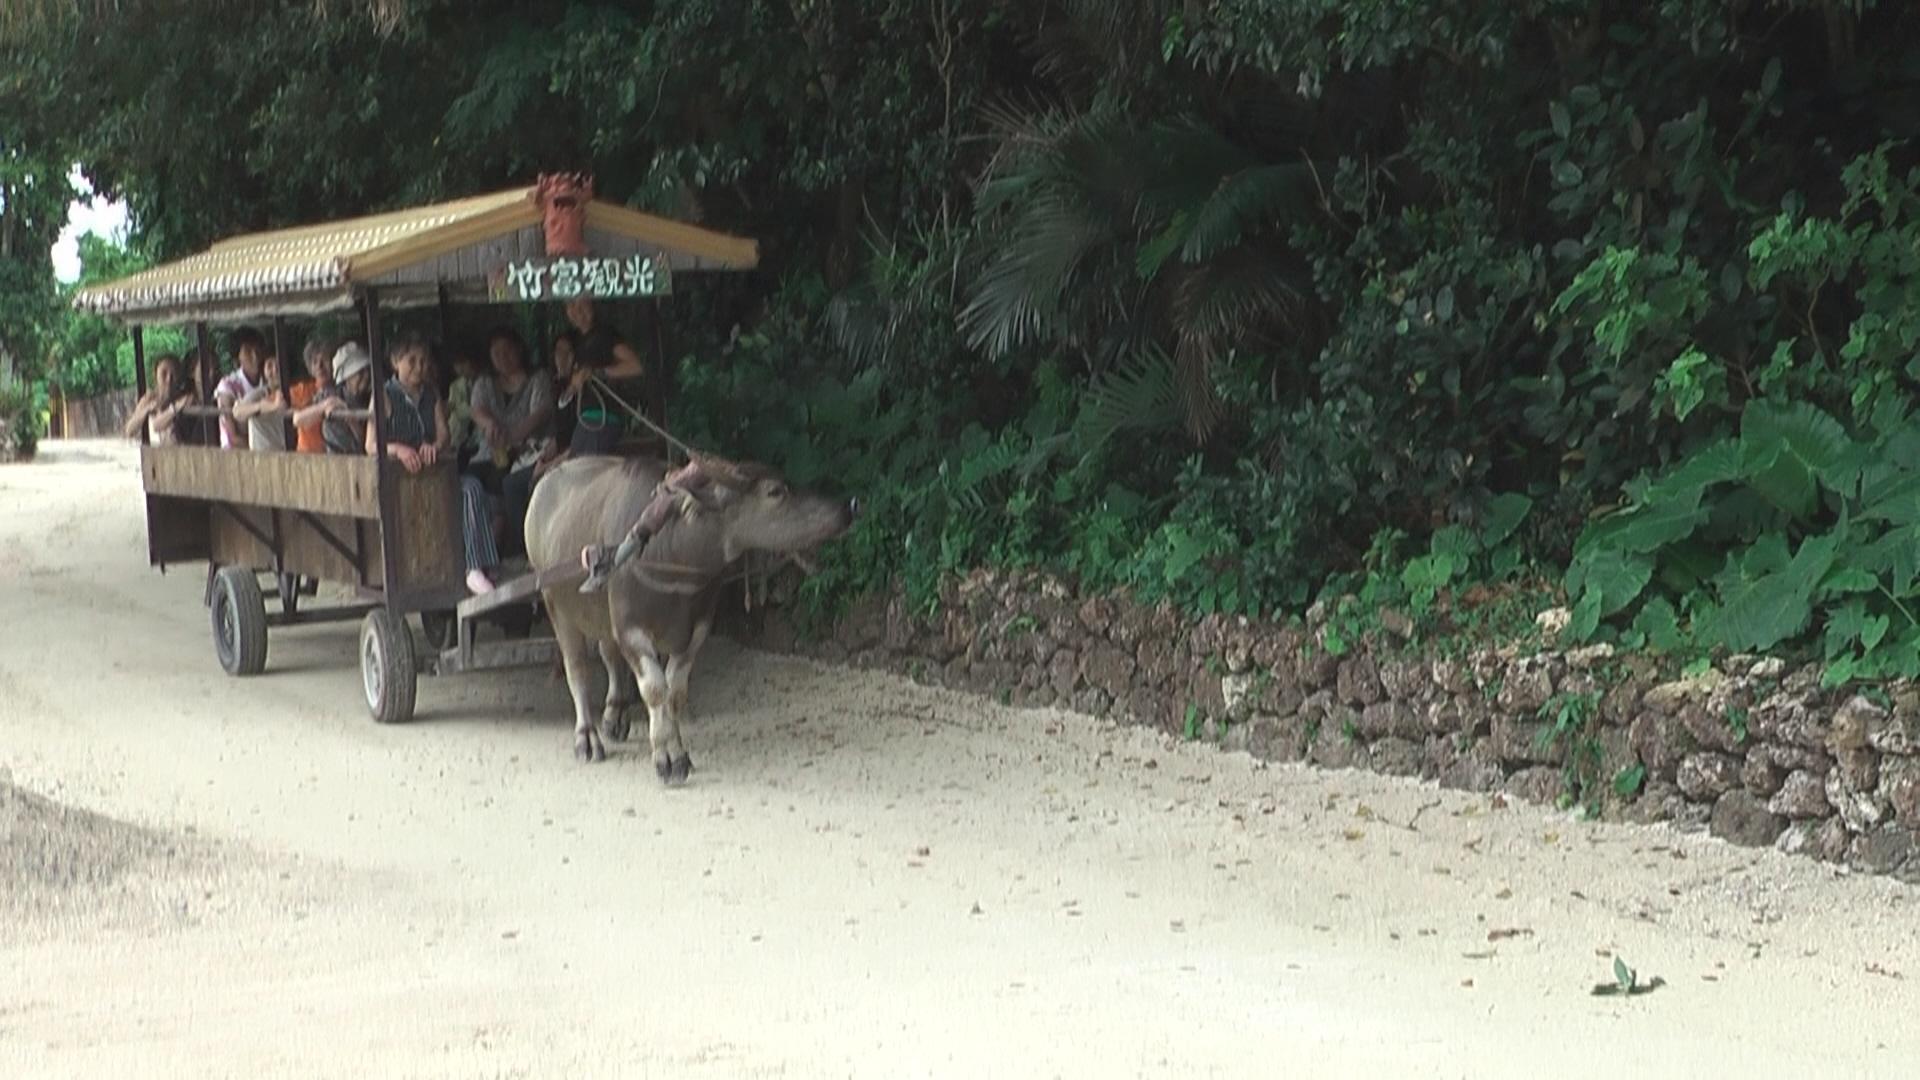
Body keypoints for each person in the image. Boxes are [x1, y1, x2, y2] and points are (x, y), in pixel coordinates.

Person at [367, 333, 500, 596]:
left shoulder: (432, 393)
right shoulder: (384, 395)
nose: (419, 368)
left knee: (472, 488)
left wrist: (434, 447)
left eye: (423, 361)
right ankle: (472, 568)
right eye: (412, 361)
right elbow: (371, 445)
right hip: (400, 480)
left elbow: (444, 435)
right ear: (395, 362)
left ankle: (477, 565)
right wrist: (399, 450)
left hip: (436, 473)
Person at [469, 326, 554, 482]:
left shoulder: (538, 378)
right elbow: (477, 409)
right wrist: (489, 424)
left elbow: (540, 414)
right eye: (496, 353)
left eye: (507, 350)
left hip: (529, 452)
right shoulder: (484, 381)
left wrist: (510, 437)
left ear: (519, 349)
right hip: (490, 454)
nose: (502, 357)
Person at [563, 299, 648, 456]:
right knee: (574, 464)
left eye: (582, 303)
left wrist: (598, 373)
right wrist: (573, 385)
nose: (577, 310)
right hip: (586, 418)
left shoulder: (605, 335)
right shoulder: (577, 340)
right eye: (572, 305)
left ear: (592, 305)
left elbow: (635, 366)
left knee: (587, 467)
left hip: (603, 417)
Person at [302, 343, 373, 454]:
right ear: (347, 377)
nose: (366, 376)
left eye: (367, 371)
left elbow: (365, 442)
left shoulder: (372, 397)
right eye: (360, 373)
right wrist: (325, 406)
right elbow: (299, 419)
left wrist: (349, 417)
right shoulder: (331, 394)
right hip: (336, 458)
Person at [213, 326, 269, 449]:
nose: (255, 356)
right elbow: (232, 436)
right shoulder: (227, 385)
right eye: (248, 351)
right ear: (237, 356)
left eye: (258, 350)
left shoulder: (268, 381)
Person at [122, 355, 193, 446]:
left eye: (173, 374)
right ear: (155, 375)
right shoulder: (150, 398)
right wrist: (146, 410)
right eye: (164, 373)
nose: (169, 379)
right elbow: (129, 430)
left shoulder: (183, 397)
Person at [231, 350, 290, 451]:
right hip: (262, 454)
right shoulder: (259, 394)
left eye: (278, 365)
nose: (275, 370)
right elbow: (237, 412)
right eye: (270, 366)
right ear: (263, 370)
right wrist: (265, 407)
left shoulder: (296, 391)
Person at [286, 337, 334, 453]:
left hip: (336, 455)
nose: (320, 366)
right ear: (310, 368)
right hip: (307, 455)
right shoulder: (302, 390)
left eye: (324, 360)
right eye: (315, 362)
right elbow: (277, 402)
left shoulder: (344, 390)